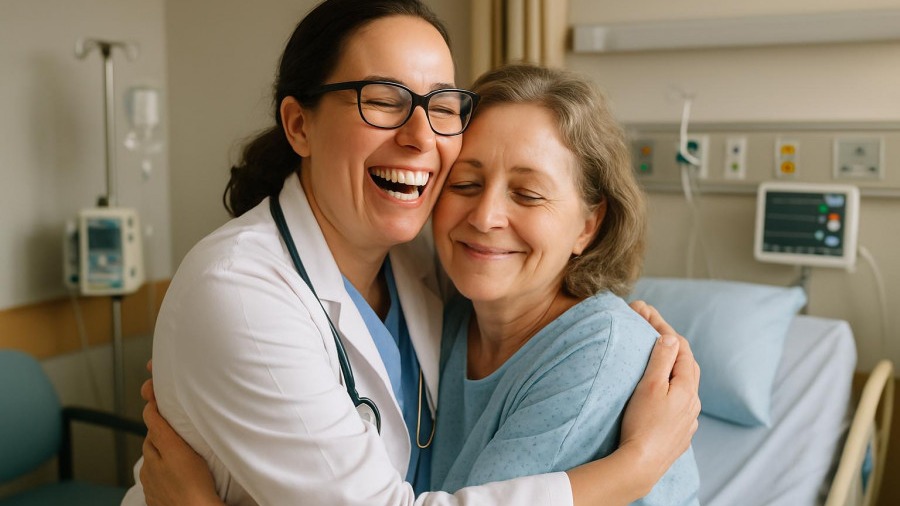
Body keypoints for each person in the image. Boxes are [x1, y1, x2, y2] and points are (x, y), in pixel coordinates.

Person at [122, 0, 701, 504]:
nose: (421, 136)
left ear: (589, 225)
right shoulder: (241, 293)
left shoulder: (424, 272)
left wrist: (627, 329)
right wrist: (634, 468)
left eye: (442, 106)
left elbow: (583, 336)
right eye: (383, 99)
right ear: (299, 126)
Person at [427, 64, 698, 504]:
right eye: (466, 183)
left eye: (528, 194)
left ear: (588, 226)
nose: (484, 216)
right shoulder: (443, 312)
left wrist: (641, 463)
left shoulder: (597, 351)